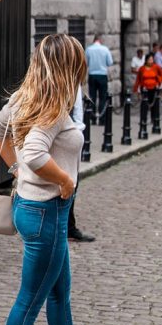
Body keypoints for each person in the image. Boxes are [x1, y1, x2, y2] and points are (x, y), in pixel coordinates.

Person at [0, 34, 113, 325]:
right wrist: (65, 181)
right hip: (46, 212)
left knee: (59, 293)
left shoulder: (27, 98)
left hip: (38, 209)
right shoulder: (54, 107)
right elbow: (37, 153)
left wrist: (16, 169)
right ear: (70, 67)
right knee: (30, 301)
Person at [67, 85, 95, 243]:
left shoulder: (74, 82)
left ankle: (68, 226)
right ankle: (64, 226)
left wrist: (78, 132)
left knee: (73, 182)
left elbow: (78, 110)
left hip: (73, 135)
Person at [85, 34, 113, 125]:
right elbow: (110, 62)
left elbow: (86, 63)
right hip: (102, 75)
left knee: (92, 97)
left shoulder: (89, 49)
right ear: (100, 40)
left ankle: (92, 119)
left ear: (94, 40)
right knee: (102, 97)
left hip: (92, 75)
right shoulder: (105, 49)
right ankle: (102, 119)